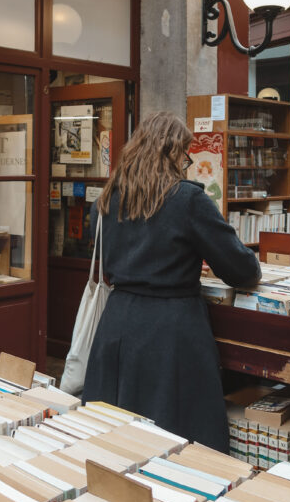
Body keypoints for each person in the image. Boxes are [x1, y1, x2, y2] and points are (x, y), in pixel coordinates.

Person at [81, 111, 261, 452]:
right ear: (171, 152)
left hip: (118, 323)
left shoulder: (106, 200)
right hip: (171, 330)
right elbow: (240, 269)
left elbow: (111, 254)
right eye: (185, 154)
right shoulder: (187, 200)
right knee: (178, 439)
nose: (186, 162)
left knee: (116, 435)